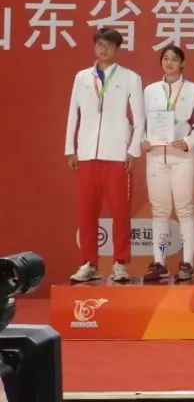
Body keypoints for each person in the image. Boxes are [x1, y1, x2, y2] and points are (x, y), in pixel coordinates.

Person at [64, 28, 145, 283]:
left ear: (117, 49)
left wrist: (132, 150)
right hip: (87, 153)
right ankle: (89, 263)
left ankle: (120, 263)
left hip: (117, 155)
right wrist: (70, 148)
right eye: (99, 44)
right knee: (87, 212)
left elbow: (140, 119)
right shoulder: (82, 77)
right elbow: (73, 114)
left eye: (108, 45)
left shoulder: (130, 78)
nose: (103, 48)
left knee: (120, 212)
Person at [141, 45, 194, 283]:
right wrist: (143, 140)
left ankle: (187, 264)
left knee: (185, 210)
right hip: (156, 157)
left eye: (174, 59)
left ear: (182, 63)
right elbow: (142, 122)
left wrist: (187, 142)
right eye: (165, 58)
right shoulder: (150, 90)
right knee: (159, 212)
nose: (169, 63)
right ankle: (159, 263)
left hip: (182, 158)